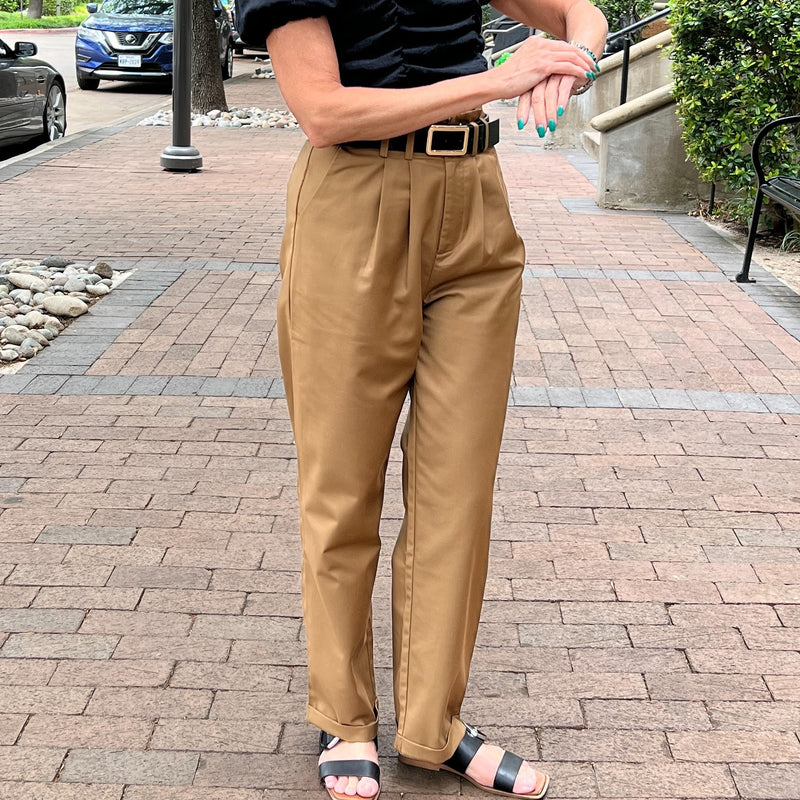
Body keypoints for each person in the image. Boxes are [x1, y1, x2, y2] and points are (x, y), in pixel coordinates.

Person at [234, 1, 607, 798]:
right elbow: (323, 112)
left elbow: (579, 10)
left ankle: (434, 726)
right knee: (342, 489)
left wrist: (573, 60)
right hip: (354, 205)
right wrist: (499, 78)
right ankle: (345, 718)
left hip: (473, 207)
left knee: (457, 492)